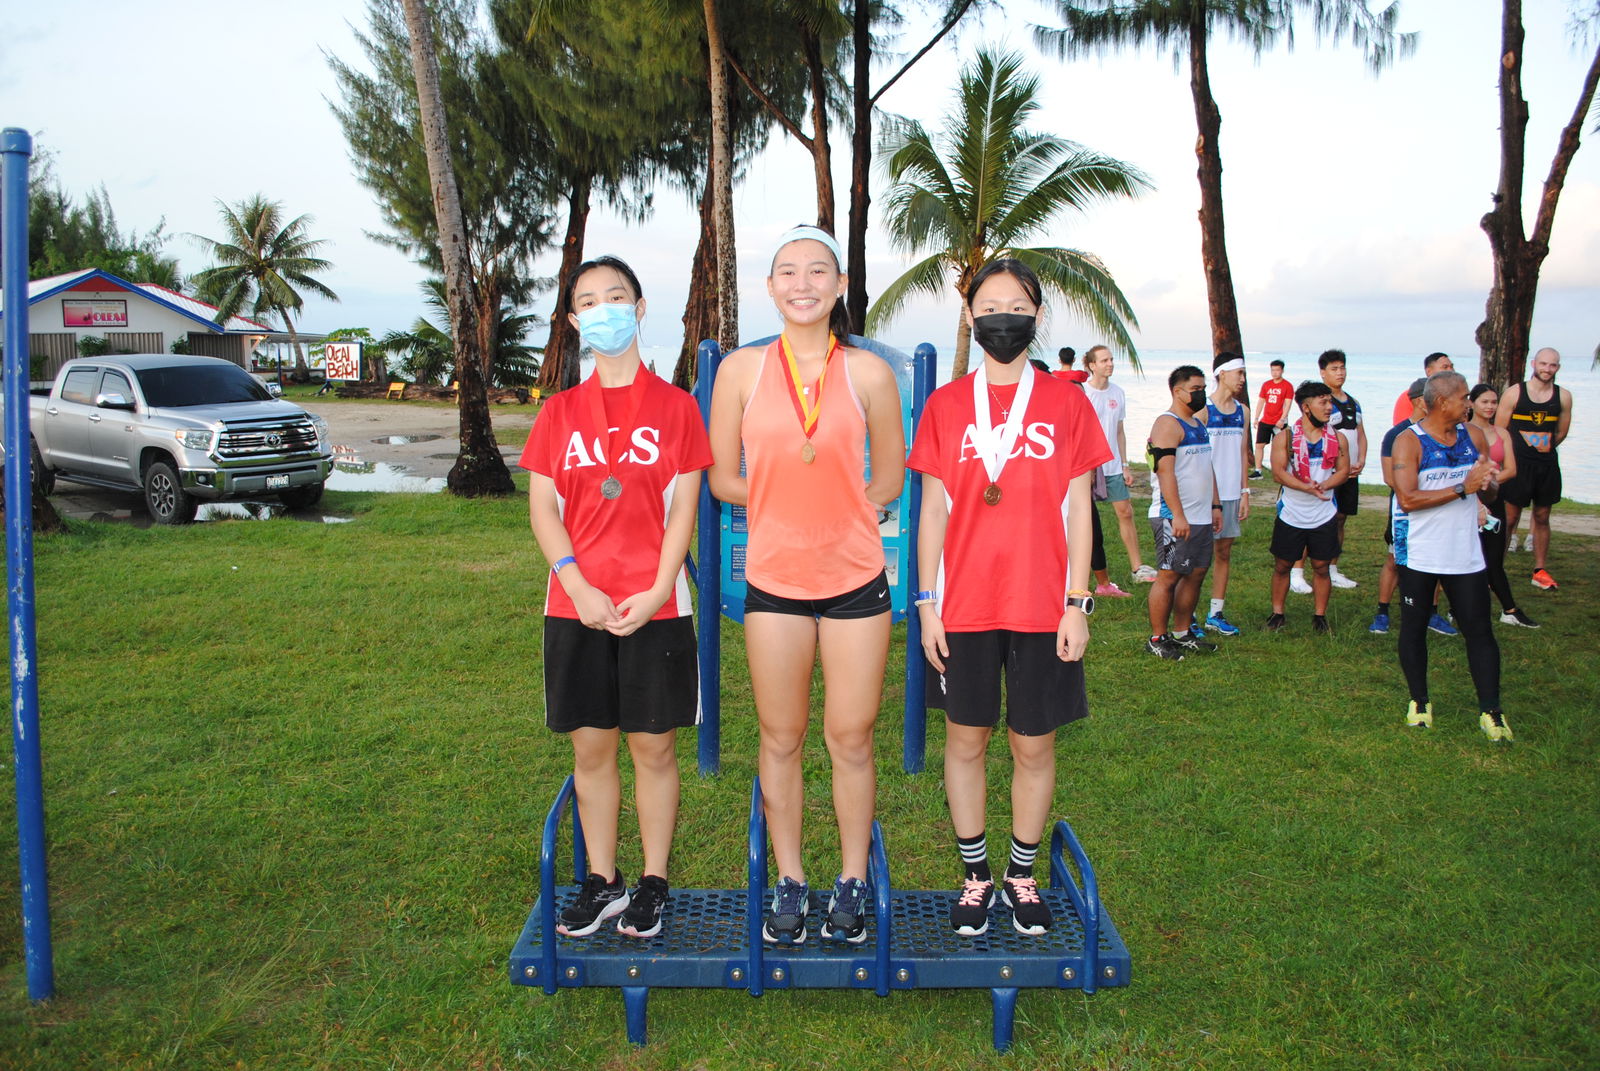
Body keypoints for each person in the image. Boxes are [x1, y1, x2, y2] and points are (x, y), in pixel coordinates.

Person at [707, 225, 905, 945]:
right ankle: (790, 877)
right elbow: (720, 474)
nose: (803, 283)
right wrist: (777, 494)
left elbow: (890, 474)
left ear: (840, 285)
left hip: (855, 577)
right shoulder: (740, 371)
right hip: (776, 580)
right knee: (781, 735)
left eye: (818, 271)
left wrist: (854, 505)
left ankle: (851, 877)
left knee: (850, 736)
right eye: (788, 271)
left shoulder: (871, 374)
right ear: (770, 287)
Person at [909, 258, 1107, 936]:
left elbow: (1080, 510)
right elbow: (932, 511)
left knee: (1034, 745)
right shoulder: (945, 406)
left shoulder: (1066, 402)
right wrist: (927, 602)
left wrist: (1077, 603)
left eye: (1016, 305)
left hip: (1042, 604)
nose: (1002, 316)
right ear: (969, 315)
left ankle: (1021, 873)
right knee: (965, 740)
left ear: (1037, 317)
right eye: (988, 304)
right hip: (962, 604)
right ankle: (975, 875)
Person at [521, 256, 712, 940]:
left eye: (616, 296)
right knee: (592, 750)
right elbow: (544, 509)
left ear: (638, 307)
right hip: (575, 608)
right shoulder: (559, 413)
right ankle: (601, 879)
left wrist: (660, 586)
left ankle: (654, 881)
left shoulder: (678, 407)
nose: (603, 308)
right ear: (574, 320)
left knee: (653, 750)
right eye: (588, 300)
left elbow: (684, 510)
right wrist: (576, 582)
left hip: (656, 606)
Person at [1390, 371, 1512, 741]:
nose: (1469, 404)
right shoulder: (1408, 442)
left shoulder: (1473, 436)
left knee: (1480, 632)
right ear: (1442, 401)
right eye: (1463, 398)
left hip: (1465, 554)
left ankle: (1491, 712)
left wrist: (1487, 486)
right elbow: (1408, 499)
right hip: (1421, 554)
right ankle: (1420, 701)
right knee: (1413, 628)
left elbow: (1484, 493)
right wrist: (1462, 487)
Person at [1369, 381, 1459, 637]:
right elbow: (1389, 477)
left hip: (1439, 509)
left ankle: (1431, 613)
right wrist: (1421, 490)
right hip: (1405, 510)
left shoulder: (1443, 432)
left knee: (1438, 561)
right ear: (1420, 400)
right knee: (1395, 560)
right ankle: (1382, 611)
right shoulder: (1397, 434)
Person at [1144, 365, 1220, 659]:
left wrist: (1215, 506)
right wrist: (1177, 514)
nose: (1201, 394)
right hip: (1173, 516)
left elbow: (1207, 468)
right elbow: (1165, 473)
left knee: (1196, 574)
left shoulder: (1197, 425)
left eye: (1203, 388)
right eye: (1196, 390)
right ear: (1177, 391)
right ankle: (1157, 637)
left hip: (1200, 515)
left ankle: (1181, 632)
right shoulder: (1168, 424)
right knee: (1169, 576)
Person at [1266, 381, 1349, 633]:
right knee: (1282, 565)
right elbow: (1279, 474)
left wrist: (1324, 485)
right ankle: (1277, 613)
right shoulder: (1286, 437)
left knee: (1322, 567)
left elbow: (1344, 471)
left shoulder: (1337, 437)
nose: (1329, 407)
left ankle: (1320, 616)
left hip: (1323, 513)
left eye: (1330, 402)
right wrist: (1306, 488)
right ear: (1305, 407)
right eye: (1322, 402)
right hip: (1292, 513)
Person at [1495, 347, 1572, 590]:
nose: (1547, 369)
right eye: (1543, 364)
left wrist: (1543, 447)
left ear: (1557, 368)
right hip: (1518, 466)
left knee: (1542, 516)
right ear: (1533, 364)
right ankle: (1496, 569)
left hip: (1546, 465)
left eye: (1552, 365)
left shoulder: (1564, 396)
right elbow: (1499, 429)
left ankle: (1539, 570)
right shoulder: (1514, 393)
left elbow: (1560, 432)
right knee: (1509, 518)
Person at [1083, 345, 1154, 584]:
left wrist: (1125, 464)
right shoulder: (1082, 392)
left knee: (1126, 512)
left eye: (1111, 359)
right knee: (1084, 520)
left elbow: (1120, 431)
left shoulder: (1118, 392)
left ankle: (1138, 568)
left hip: (1112, 464)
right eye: (1104, 360)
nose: (1110, 364)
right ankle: (1083, 573)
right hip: (1087, 465)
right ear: (1092, 365)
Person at [1469, 384, 1537, 627]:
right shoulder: (1463, 431)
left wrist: (1488, 480)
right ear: (1472, 403)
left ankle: (1510, 610)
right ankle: (1459, 609)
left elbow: (1511, 469)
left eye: (1494, 402)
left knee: (1494, 559)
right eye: (1484, 402)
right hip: (1466, 502)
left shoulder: (1502, 433)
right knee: (1468, 558)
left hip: (1493, 500)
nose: (1490, 407)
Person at [1297, 349, 1364, 593]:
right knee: (1312, 520)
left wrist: (1361, 460)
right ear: (1322, 372)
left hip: (1351, 472)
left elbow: (1360, 434)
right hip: (1328, 473)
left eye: (1342, 367)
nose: (1340, 373)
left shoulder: (1353, 402)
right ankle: (1298, 571)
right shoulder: (1319, 402)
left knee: (1340, 519)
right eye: (1334, 369)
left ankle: (1333, 569)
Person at [1203, 352, 1252, 636]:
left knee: (1224, 552)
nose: (1242, 379)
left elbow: (1244, 453)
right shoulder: (1204, 410)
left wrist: (1245, 490)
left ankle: (1216, 612)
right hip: (1205, 495)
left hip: (1232, 492)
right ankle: (1189, 614)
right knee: (1198, 555)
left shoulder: (1242, 411)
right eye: (1239, 373)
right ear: (1222, 373)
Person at [1252, 358, 1292, 478]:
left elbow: (1288, 404)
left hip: (1279, 421)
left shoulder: (1287, 386)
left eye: (1277, 370)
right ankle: (1258, 470)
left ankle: (1280, 470)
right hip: (1266, 420)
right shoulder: (1266, 385)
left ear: (1282, 371)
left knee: (1279, 447)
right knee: (1259, 445)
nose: (1275, 372)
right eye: (1273, 370)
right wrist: (1256, 417)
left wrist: (1282, 419)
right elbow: (1261, 401)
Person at [1393, 352, 1453, 425]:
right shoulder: (1411, 395)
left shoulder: (1454, 395)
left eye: (1451, 366)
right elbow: (1401, 429)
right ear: (1429, 371)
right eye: (1445, 367)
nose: (1450, 371)